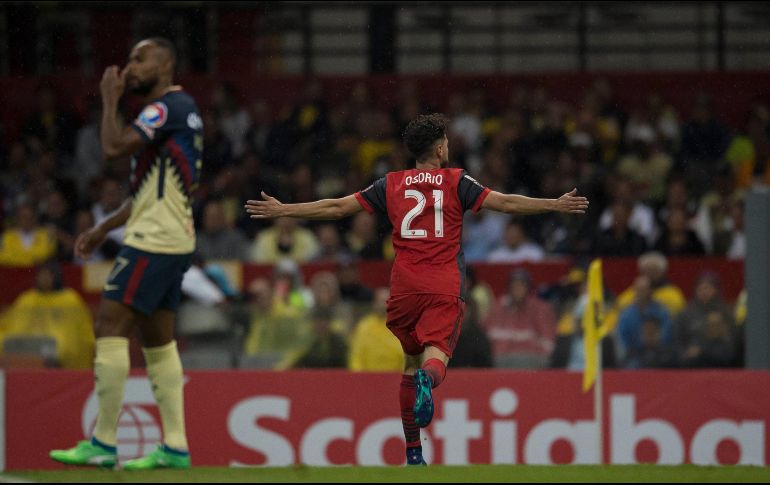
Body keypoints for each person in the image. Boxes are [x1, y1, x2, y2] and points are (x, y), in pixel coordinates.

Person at [245, 113, 588, 465]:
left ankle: (413, 452)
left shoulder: (390, 183)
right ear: (439, 148)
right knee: (433, 359)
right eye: (447, 142)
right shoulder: (456, 181)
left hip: (404, 287)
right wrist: (553, 203)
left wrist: (284, 209)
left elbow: (336, 208)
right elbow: (505, 202)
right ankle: (429, 380)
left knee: (408, 363)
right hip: (443, 284)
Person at [49, 37, 202, 470]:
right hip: (169, 235)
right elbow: (147, 196)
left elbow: (112, 148)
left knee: (109, 323)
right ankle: (174, 445)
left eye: (141, 59)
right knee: (157, 340)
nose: (131, 67)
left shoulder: (165, 108)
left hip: (154, 241)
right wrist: (102, 228)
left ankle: (103, 440)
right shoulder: (176, 115)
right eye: (130, 59)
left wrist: (109, 99)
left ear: (167, 64)